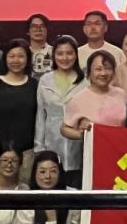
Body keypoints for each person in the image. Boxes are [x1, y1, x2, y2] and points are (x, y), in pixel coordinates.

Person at [34, 35, 87, 189]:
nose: (65, 58)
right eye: (60, 53)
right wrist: (39, 147)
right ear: (54, 56)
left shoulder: (86, 81)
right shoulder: (45, 80)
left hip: (78, 145)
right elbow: (40, 115)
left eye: (69, 53)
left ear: (76, 55)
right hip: (52, 143)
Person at [0, 39, 38, 185]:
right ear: (5, 58)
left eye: (20, 56)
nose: (16, 60)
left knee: (24, 192)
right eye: (11, 56)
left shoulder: (35, 85)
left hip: (27, 154)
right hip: (0, 154)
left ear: (27, 59)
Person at [62, 51, 127, 142]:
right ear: (89, 72)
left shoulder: (121, 94)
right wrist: (81, 134)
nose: (103, 73)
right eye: (98, 69)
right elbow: (65, 129)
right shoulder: (79, 99)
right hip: (94, 147)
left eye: (108, 68)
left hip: (120, 146)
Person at [26, 13, 53, 79]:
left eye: (42, 26)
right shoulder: (23, 52)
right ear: (28, 31)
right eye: (34, 26)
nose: (38, 29)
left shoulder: (55, 52)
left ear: (47, 30)